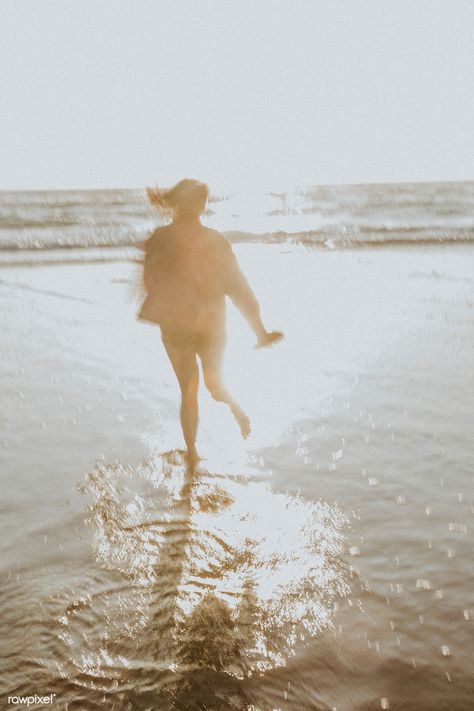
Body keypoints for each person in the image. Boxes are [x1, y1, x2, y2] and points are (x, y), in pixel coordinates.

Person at [139, 179, 283, 471]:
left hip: (176, 324)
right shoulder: (215, 240)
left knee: (189, 391)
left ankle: (192, 454)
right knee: (214, 386)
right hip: (211, 323)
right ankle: (235, 409)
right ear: (203, 205)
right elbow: (238, 287)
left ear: (176, 202)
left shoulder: (160, 237)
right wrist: (260, 330)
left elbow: (149, 280)